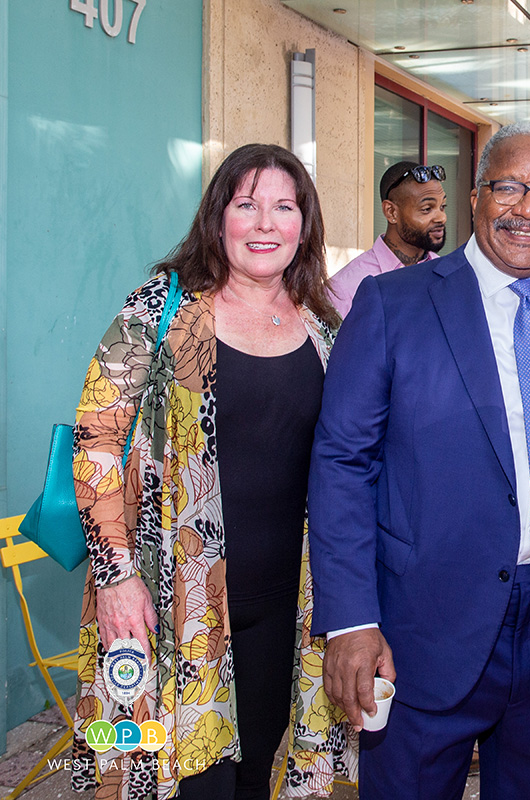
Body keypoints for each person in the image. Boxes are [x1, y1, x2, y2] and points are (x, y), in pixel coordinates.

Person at [307, 121, 530, 800]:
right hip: (422, 627)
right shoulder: (391, 304)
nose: (528, 209)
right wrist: (350, 619)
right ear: (476, 197)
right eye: (510, 187)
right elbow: (343, 461)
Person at [72, 143, 348, 799]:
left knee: (253, 775)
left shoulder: (322, 325)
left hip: (285, 606)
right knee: (170, 780)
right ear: (217, 217)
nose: (264, 224)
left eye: (284, 207)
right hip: (168, 606)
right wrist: (115, 579)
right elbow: (97, 440)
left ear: (304, 223)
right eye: (245, 204)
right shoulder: (159, 311)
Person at [328, 159, 447, 317]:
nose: (441, 218)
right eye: (427, 209)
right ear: (391, 212)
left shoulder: (446, 275)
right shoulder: (344, 289)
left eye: (442, 207)